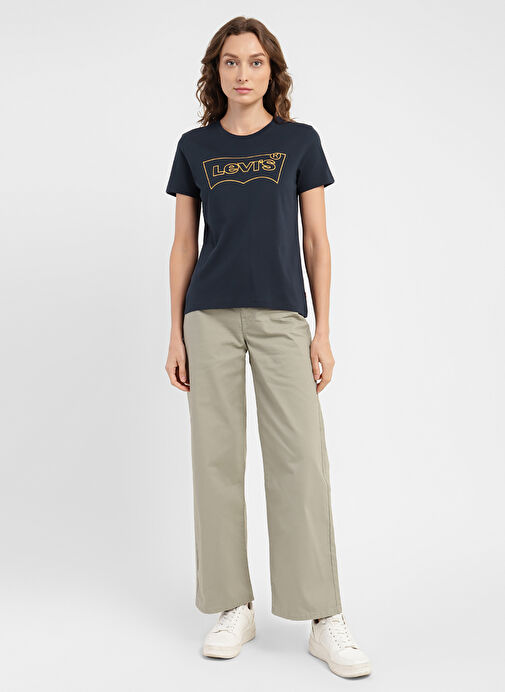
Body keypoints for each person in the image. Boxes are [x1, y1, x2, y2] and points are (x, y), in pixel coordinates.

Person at [164, 16, 372, 679]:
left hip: (283, 317)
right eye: (231, 62)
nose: (243, 73)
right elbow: (183, 245)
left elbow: (316, 241)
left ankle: (322, 617)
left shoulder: (298, 142)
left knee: (299, 460)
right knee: (215, 461)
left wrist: (323, 330)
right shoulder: (195, 147)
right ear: (216, 71)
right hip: (208, 318)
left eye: (255, 62)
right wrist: (175, 331)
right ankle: (233, 606)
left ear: (271, 71)